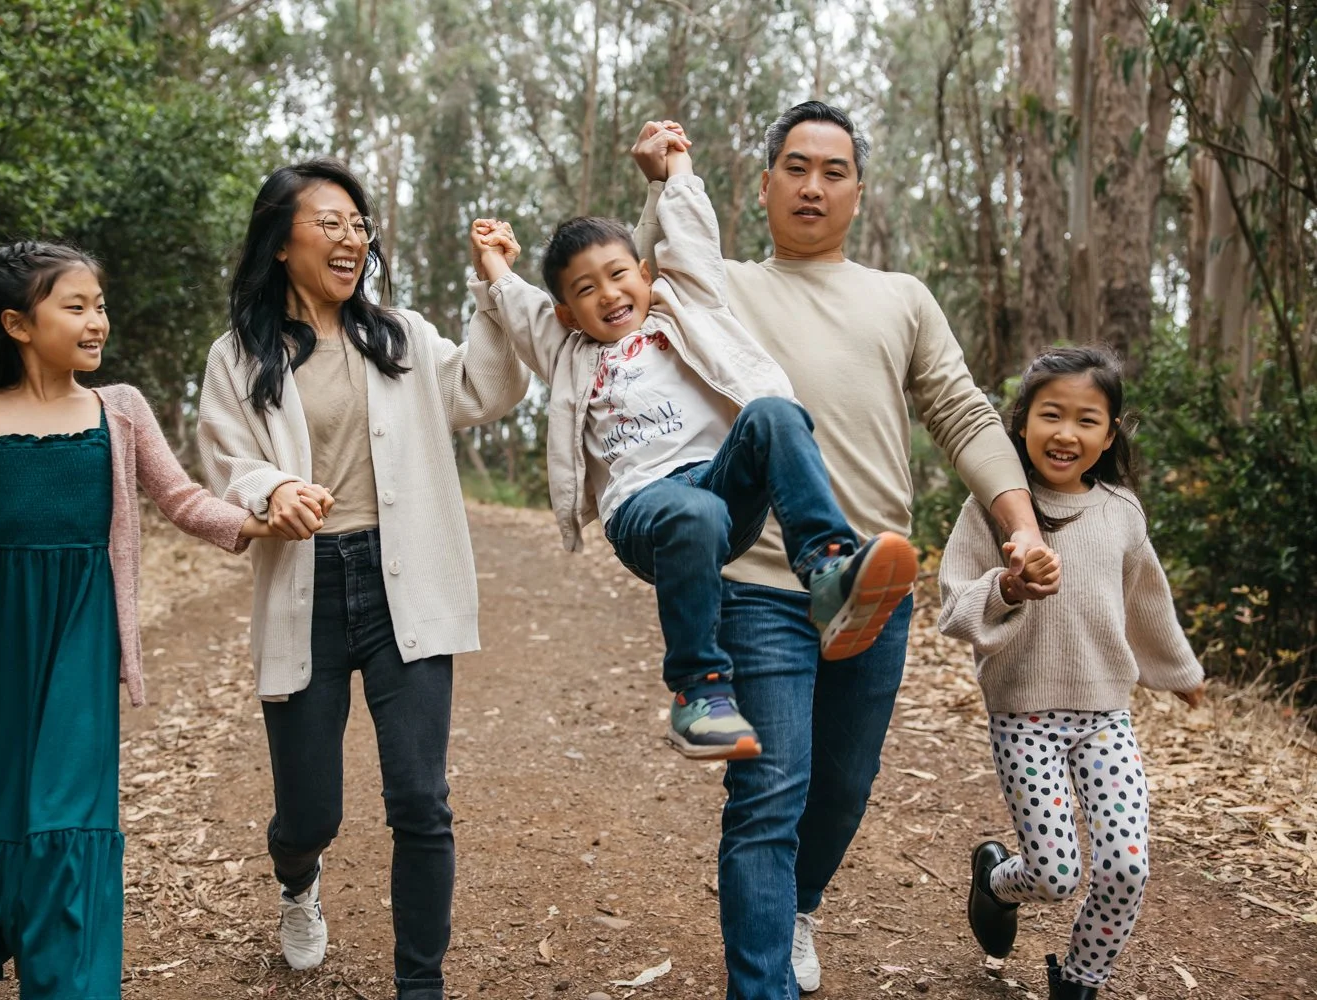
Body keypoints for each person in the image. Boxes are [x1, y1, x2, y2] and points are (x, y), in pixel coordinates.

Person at [628, 103, 1061, 998]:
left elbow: (963, 412)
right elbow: (636, 285)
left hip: (876, 586)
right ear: (764, 184)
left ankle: (799, 904)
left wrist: (1022, 524)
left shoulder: (900, 297)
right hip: (757, 583)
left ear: (858, 191)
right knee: (768, 796)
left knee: (843, 786)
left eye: (832, 170)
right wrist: (662, 183)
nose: (812, 185)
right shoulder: (724, 286)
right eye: (795, 167)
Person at [0, 241, 274, 998]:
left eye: (101, 306)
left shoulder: (118, 410)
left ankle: (69, 981)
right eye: (76, 306)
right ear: (19, 324)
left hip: (81, 635)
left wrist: (256, 520)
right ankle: (8, 934)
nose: (97, 322)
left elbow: (180, 497)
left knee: (66, 811)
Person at [468, 126, 917, 761]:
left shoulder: (683, 307)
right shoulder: (566, 349)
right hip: (645, 511)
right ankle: (699, 694)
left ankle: (828, 569)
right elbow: (516, 306)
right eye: (586, 290)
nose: (609, 294)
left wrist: (678, 166)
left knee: (774, 413)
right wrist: (492, 261)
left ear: (646, 273)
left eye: (619, 275)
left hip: (720, 486)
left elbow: (694, 239)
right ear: (567, 312)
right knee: (694, 512)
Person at [196, 158, 529, 1000]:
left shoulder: (403, 335)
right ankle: (297, 881)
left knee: (421, 798)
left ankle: (420, 983)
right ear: (281, 242)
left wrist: (496, 288)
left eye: (360, 225)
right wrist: (273, 490)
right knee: (311, 815)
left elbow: (487, 388)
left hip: (402, 582)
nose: (353, 239)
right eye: (331, 223)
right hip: (305, 584)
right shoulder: (240, 353)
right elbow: (226, 458)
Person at [937, 346, 1206, 1000]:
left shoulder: (1120, 511)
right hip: (1024, 718)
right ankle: (997, 882)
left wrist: (1181, 671)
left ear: (1109, 434)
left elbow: (1148, 602)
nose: (1066, 432)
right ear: (1021, 423)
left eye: (1087, 419)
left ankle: (1079, 983)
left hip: (1106, 718)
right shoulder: (993, 509)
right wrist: (1008, 586)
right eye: (1050, 414)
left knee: (1127, 868)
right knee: (1055, 876)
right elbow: (954, 606)